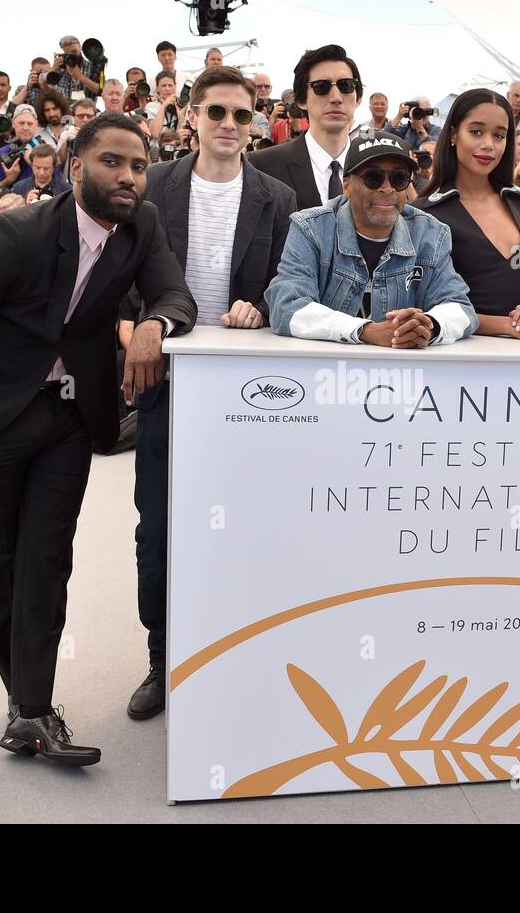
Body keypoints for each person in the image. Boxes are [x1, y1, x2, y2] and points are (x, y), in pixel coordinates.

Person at [0, 111, 197, 767]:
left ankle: (33, 710)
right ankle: (23, 704)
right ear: (76, 166)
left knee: (46, 556)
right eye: (112, 162)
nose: (129, 176)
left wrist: (154, 324)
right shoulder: (14, 233)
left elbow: (174, 293)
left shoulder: (143, 226)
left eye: (137, 165)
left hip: (68, 417)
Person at [130, 67, 297, 720]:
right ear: (192, 115)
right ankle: (161, 657)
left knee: (248, 527)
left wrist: (261, 307)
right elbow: (125, 283)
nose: (229, 124)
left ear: (255, 120)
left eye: (241, 114)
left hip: (245, 390)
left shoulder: (278, 198)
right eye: (217, 112)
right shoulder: (151, 188)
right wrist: (136, 329)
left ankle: (238, 655)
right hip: (166, 384)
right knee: (159, 530)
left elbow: (289, 290)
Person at [266, 130, 477, 345]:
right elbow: (286, 305)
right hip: (326, 371)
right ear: (346, 184)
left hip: (404, 371)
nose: (387, 189)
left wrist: (427, 326)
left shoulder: (431, 233)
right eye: (373, 178)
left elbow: (461, 307)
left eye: (399, 178)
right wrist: (364, 331)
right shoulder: (310, 228)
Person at [414, 89, 520, 341]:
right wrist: (512, 327)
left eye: (499, 135)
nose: (488, 145)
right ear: (452, 135)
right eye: (476, 132)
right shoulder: (425, 213)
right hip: (458, 360)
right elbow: (426, 306)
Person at [249, 45, 362, 210]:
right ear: (301, 100)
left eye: (346, 85)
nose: (336, 98)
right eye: (321, 86)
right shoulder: (262, 166)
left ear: (358, 98)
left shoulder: (377, 168)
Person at [0, 106, 46, 188]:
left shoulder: (46, 152)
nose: (25, 128)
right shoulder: (2, 153)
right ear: (13, 124)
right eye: (21, 123)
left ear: (36, 125)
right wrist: (8, 180)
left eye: (30, 124)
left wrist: (33, 164)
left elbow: (57, 184)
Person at [51, 35, 103, 101]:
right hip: (65, 109)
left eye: (74, 51)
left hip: (87, 109)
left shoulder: (93, 67)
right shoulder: (61, 67)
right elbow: (44, 85)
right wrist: (53, 69)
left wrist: (79, 76)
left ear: (80, 47)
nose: (72, 55)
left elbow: (102, 90)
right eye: (67, 53)